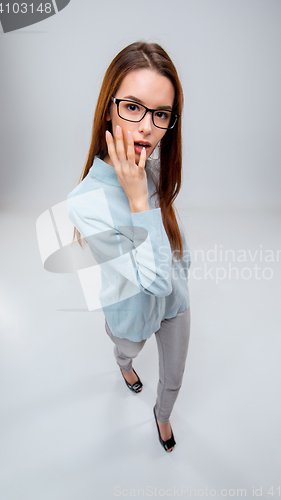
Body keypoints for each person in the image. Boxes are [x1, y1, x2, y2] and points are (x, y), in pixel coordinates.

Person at [67, 41, 191, 453]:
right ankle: (123, 367)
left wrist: (183, 267)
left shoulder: (151, 167)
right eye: (133, 107)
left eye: (161, 114)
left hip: (174, 301)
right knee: (126, 349)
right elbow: (148, 283)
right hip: (131, 311)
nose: (146, 128)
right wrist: (137, 197)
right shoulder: (85, 202)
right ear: (109, 107)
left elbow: (168, 231)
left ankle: (162, 416)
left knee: (173, 378)